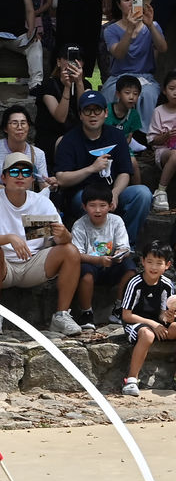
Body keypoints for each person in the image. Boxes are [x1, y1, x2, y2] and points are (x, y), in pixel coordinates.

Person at [0, 151, 82, 337]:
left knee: (71, 251)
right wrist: (9, 238)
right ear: (3, 177)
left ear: (32, 179)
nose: (20, 176)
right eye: (14, 172)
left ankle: (61, 315)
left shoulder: (41, 202)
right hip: (3, 267)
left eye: (26, 172)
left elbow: (60, 240)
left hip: (34, 263)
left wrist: (65, 235)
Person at [54, 89, 151, 248]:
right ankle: (94, 247)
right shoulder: (69, 140)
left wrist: (115, 193)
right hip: (83, 196)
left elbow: (125, 172)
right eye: (87, 110)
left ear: (106, 113)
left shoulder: (116, 136)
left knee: (143, 194)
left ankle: (126, 246)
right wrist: (91, 169)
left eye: (97, 110)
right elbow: (61, 179)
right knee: (86, 200)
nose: (93, 115)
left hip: (111, 191)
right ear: (80, 114)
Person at [71, 181, 137, 330]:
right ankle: (86, 312)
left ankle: (120, 307)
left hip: (112, 264)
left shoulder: (116, 221)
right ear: (84, 207)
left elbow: (124, 247)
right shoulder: (80, 225)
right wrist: (99, 260)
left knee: (131, 269)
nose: (98, 210)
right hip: (91, 264)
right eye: (92, 205)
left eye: (102, 205)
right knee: (85, 272)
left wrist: (119, 255)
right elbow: (77, 254)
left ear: (110, 206)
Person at [101, 0, 166, 130]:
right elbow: (119, 53)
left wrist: (150, 26)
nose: (131, 3)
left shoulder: (152, 26)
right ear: (119, 5)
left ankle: (145, 137)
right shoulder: (111, 30)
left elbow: (162, 48)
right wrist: (130, 28)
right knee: (113, 93)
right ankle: (113, 132)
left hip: (145, 77)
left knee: (148, 95)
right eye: (127, 0)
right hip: (119, 76)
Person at [121, 239, 176, 396]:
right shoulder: (135, 283)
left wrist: (169, 317)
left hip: (158, 324)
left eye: (159, 263)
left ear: (167, 265)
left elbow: (162, 314)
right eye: (150, 261)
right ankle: (131, 379)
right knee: (147, 334)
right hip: (136, 324)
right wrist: (152, 323)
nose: (153, 267)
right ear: (142, 261)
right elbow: (127, 315)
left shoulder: (167, 284)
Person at [34, 44, 90, 166]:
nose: (73, 63)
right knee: (67, 142)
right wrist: (67, 87)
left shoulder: (86, 84)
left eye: (78, 59)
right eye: (69, 59)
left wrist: (79, 83)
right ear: (59, 62)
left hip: (78, 133)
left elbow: (85, 112)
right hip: (52, 136)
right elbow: (60, 117)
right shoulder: (48, 85)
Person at [0, 105, 55, 191]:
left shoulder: (38, 154)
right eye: (14, 123)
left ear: (28, 126)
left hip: (26, 202)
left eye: (23, 123)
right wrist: (16, 192)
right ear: (5, 128)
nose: (20, 127)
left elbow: (43, 185)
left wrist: (51, 186)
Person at [104, 74, 144, 187]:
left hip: (123, 146)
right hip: (106, 145)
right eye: (127, 93)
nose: (131, 97)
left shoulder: (134, 115)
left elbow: (130, 135)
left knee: (133, 163)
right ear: (118, 94)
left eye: (135, 94)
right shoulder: (107, 111)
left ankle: (137, 189)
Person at [147, 69, 176, 211]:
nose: (175, 92)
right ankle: (160, 191)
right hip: (164, 152)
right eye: (172, 89)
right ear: (164, 91)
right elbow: (152, 141)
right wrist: (167, 136)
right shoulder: (159, 111)